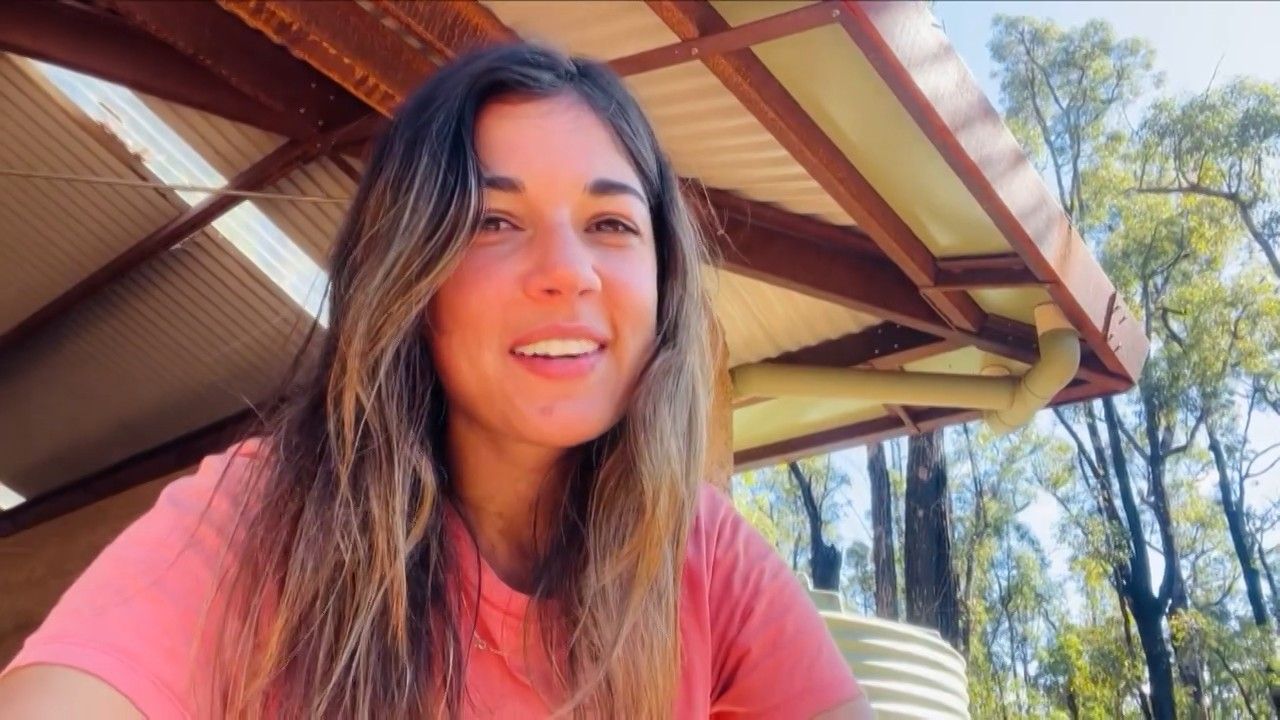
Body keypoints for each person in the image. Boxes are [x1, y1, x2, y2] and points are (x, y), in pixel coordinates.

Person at [0, 43, 870, 719]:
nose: (569, 274)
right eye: (493, 221)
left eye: (610, 222)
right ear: (410, 281)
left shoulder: (700, 553)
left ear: (664, 281)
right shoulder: (272, 517)